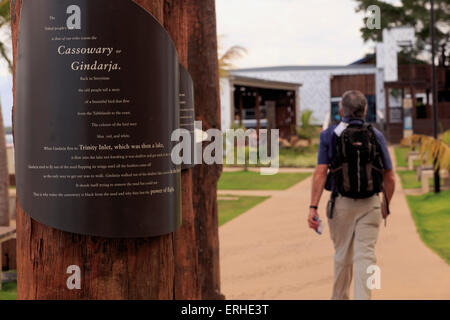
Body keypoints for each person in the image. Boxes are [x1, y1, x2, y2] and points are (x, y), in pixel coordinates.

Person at [308, 90, 396, 300]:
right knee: (366, 256)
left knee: (342, 257)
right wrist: (385, 204)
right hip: (371, 205)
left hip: (340, 206)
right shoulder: (377, 135)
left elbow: (321, 173)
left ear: (340, 111)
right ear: (365, 110)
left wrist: (313, 207)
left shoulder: (329, 135)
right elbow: (390, 176)